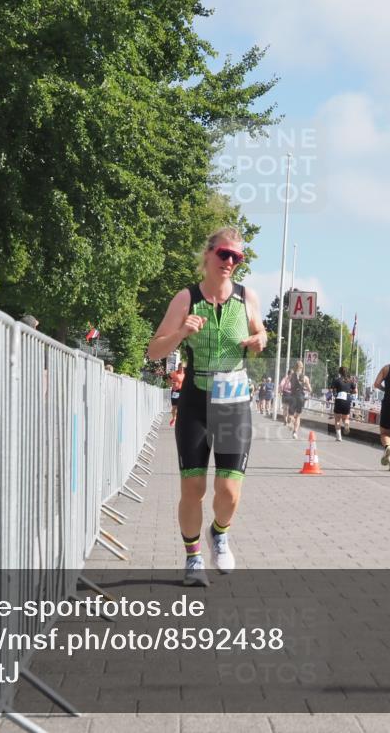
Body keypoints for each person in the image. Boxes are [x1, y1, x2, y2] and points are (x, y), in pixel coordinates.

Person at [147, 227, 266, 586]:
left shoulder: (247, 298)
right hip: (197, 400)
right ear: (209, 255)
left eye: (237, 258)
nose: (230, 262)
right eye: (224, 254)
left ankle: (220, 531)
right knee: (193, 488)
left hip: (233, 401)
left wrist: (260, 339)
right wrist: (182, 332)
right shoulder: (186, 298)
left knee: (229, 491)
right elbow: (154, 351)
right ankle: (193, 556)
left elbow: (260, 332)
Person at [330, 366, 356, 441]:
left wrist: (335, 393)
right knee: (346, 418)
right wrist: (349, 392)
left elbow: (332, 390)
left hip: (339, 398)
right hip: (347, 398)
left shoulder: (336, 380)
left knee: (337, 419)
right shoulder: (350, 381)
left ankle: (339, 437)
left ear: (339, 372)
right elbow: (355, 391)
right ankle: (346, 424)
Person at [286, 359, 310, 440]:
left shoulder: (291, 376)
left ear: (295, 367)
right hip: (301, 397)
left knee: (290, 415)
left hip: (293, 397)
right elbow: (310, 389)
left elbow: (287, 386)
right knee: (298, 416)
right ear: (302, 367)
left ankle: (291, 424)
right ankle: (295, 432)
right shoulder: (305, 377)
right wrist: (306, 388)